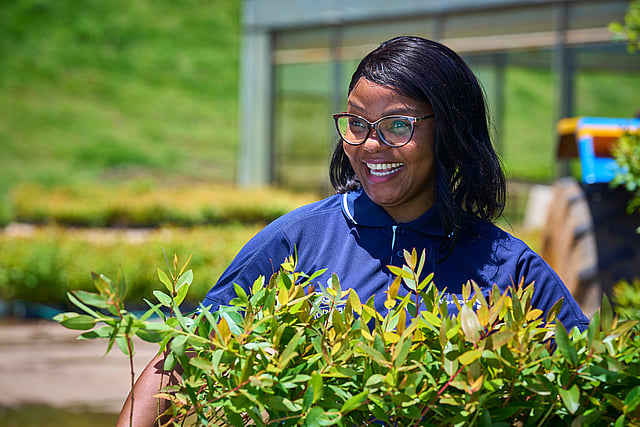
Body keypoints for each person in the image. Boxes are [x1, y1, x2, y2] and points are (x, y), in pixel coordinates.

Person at [116, 35, 589, 426]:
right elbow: (180, 360)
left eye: (396, 125)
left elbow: (585, 381)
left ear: (449, 128)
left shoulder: (508, 267)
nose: (369, 146)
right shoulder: (298, 241)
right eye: (357, 123)